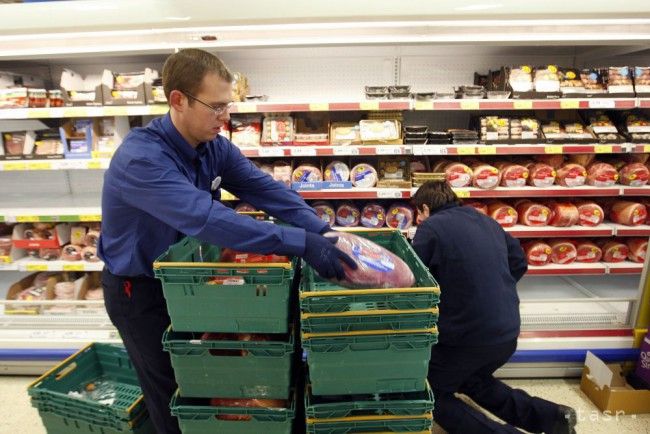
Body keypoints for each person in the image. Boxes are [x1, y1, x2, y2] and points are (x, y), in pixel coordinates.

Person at [98, 48, 356, 434]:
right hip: (141, 291)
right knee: (174, 395)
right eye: (216, 107)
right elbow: (208, 219)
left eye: (228, 105)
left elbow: (263, 188)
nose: (226, 117)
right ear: (178, 100)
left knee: (209, 378)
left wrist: (320, 230)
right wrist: (300, 243)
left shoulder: (212, 147)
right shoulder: (142, 158)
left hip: (188, 284)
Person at [411, 180, 577, 434]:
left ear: (424, 208)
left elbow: (414, 280)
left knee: (428, 392)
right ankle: (552, 417)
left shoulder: (431, 228)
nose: (419, 219)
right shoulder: (486, 221)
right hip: (507, 333)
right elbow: (519, 262)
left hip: (466, 337)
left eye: (418, 214)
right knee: (473, 380)